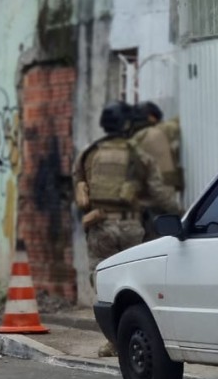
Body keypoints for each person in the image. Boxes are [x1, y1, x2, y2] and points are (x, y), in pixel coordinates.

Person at [73, 101, 180, 355]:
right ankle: (133, 337)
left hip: (100, 226)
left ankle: (113, 341)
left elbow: (80, 190)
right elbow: (160, 195)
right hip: (132, 226)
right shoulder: (139, 155)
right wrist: (181, 214)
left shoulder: (88, 154)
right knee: (135, 285)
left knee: (102, 284)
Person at [130, 102, 184, 239]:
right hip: (162, 206)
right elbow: (183, 120)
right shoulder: (159, 132)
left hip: (140, 211)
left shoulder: (132, 140)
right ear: (152, 118)